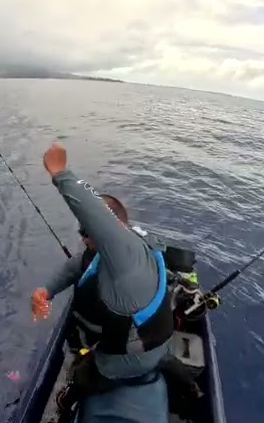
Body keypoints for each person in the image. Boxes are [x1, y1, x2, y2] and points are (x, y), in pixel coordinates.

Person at [29, 142, 175, 393]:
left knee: (82, 377)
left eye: (86, 231)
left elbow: (93, 211)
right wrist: (47, 290)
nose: (83, 236)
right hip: (145, 338)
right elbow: (78, 266)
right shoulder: (120, 250)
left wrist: (59, 172)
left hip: (128, 361)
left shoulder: (126, 257)